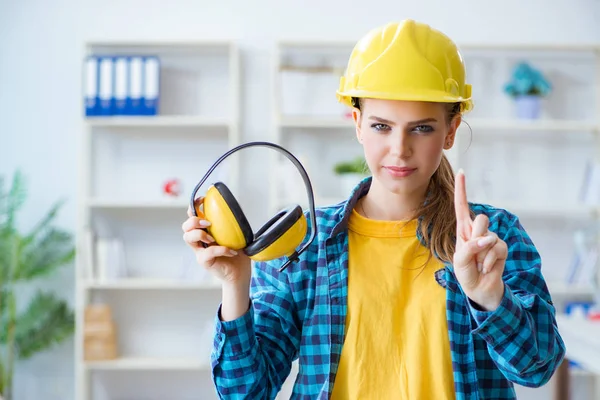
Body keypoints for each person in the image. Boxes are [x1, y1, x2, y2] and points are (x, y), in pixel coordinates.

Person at [182, 19, 566, 400]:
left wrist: (490, 298)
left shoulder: (491, 236)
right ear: (357, 123)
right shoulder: (307, 245)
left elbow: (538, 369)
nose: (399, 149)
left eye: (422, 128)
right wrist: (234, 284)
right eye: (382, 126)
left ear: (451, 130)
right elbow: (245, 392)